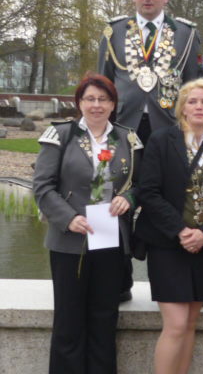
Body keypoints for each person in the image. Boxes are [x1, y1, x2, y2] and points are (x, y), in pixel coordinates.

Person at [98, 0, 201, 301]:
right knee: (111, 196)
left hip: (168, 129)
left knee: (167, 200)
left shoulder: (186, 34)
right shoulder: (113, 32)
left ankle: (174, 280)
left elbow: (194, 86)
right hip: (121, 128)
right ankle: (115, 280)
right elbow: (102, 83)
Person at [33, 73, 142, 374]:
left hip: (110, 238)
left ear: (113, 104)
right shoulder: (61, 135)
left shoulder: (128, 139)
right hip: (70, 241)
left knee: (104, 319)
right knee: (68, 321)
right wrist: (68, 218)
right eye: (90, 99)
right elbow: (42, 186)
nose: (96, 105)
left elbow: (142, 184)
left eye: (103, 99)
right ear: (79, 102)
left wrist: (129, 198)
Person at [134, 78, 203, 374]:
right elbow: (148, 192)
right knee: (175, 324)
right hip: (168, 244)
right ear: (182, 108)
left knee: (190, 323)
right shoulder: (161, 140)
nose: (199, 106)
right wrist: (181, 230)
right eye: (192, 101)